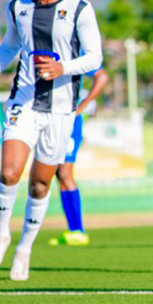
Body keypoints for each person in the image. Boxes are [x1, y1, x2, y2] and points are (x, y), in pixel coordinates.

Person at [0, 0, 103, 281]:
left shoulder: (80, 8)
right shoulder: (17, 7)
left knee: (40, 185)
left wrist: (63, 68)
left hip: (60, 111)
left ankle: (25, 248)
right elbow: (9, 46)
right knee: (10, 172)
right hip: (23, 102)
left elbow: (95, 58)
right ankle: (1, 234)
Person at [48, 67, 109, 246]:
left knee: (65, 173)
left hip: (69, 120)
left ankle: (78, 230)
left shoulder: (76, 51)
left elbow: (102, 77)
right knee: (59, 173)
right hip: (51, 118)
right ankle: (73, 229)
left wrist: (82, 106)